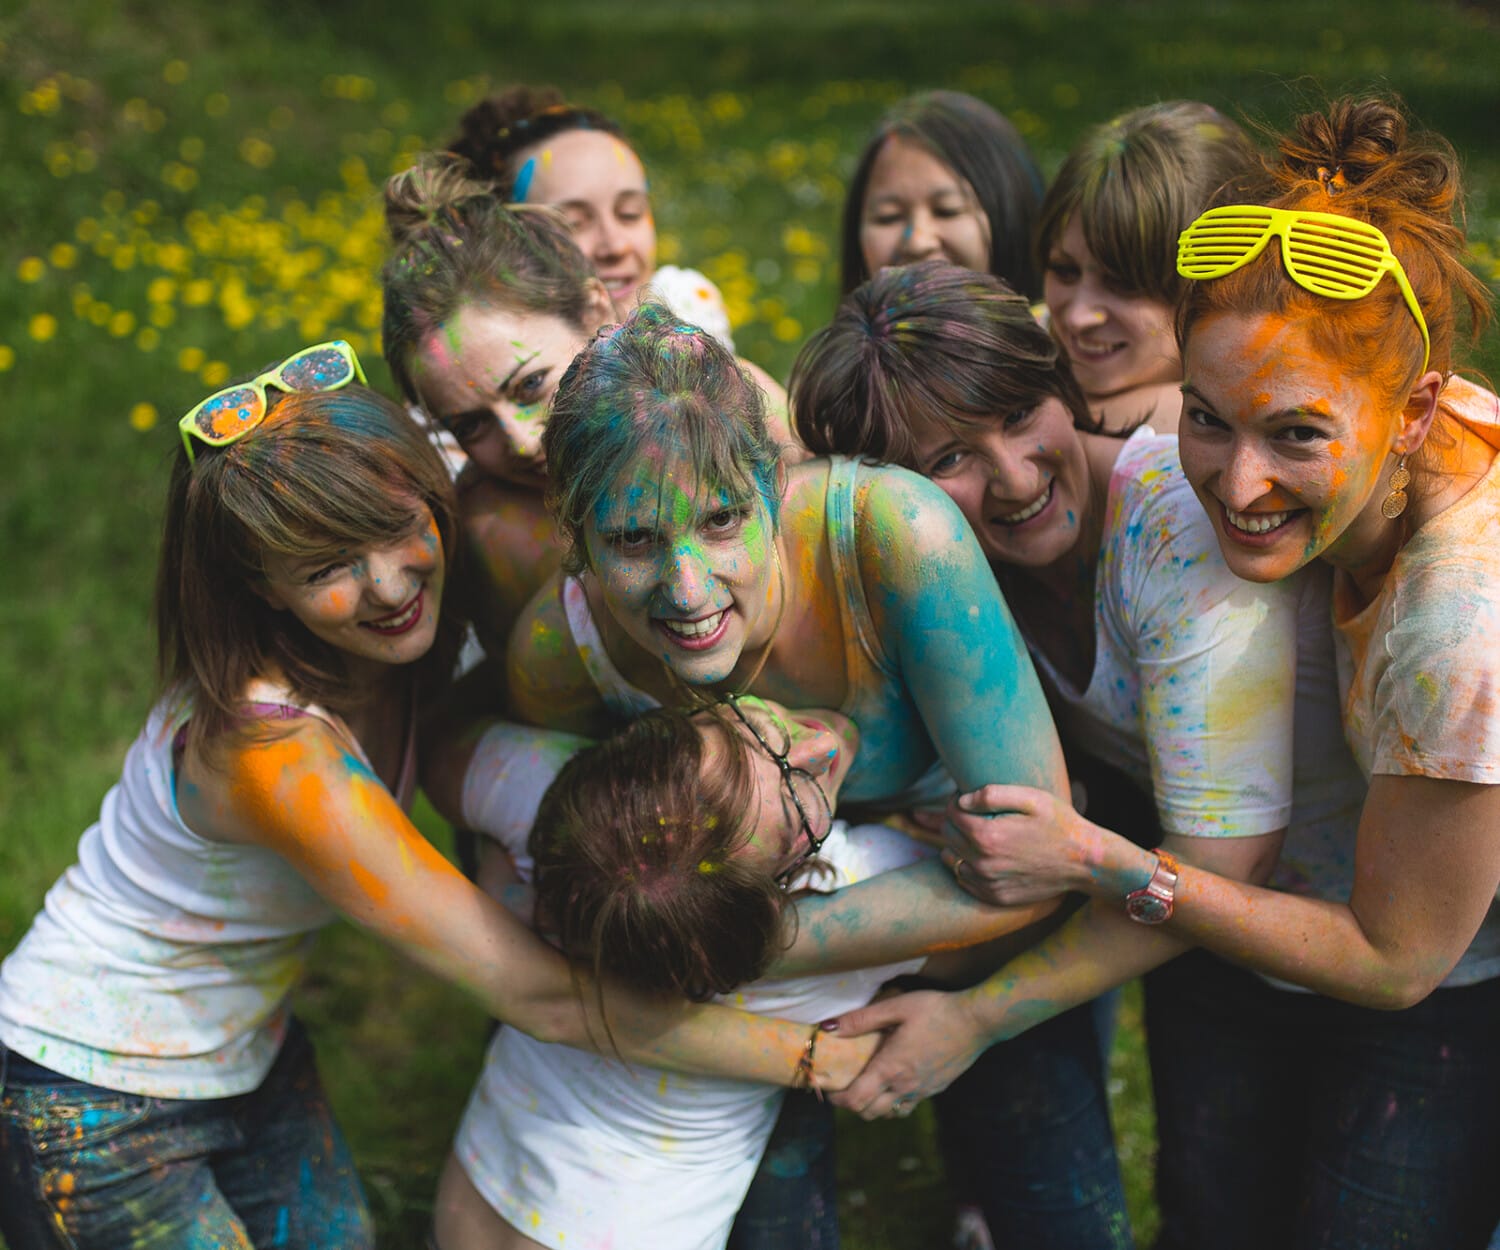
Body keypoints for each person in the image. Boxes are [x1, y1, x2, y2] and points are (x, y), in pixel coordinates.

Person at [0, 345, 880, 1250]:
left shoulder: (397, 643)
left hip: (241, 1056)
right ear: (260, 584)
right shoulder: (275, 757)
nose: (387, 585)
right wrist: (823, 1058)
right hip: (86, 1093)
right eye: (323, 569)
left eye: (394, 528)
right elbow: (543, 997)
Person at [837, 98, 1500, 1249]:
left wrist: (1094, 858)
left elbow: (1399, 959)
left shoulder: (1460, 629)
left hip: (1440, 982)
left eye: (1293, 434)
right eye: (1203, 417)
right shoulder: (1316, 437)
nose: (1234, 486)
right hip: (1263, 932)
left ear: (1414, 415)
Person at [790, 258, 1364, 1248]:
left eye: (1022, 414)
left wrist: (974, 1019)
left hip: (1380, 930)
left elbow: (1231, 861)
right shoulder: (933, 567)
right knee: (1217, 1208)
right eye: (948, 462)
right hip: (1207, 930)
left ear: (1063, 388)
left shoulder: (1173, 529)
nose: (1013, 476)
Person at [475, 300, 1070, 1248]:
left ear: (774, 483)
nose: (687, 589)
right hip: (790, 957)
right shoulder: (562, 649)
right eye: (631, 541)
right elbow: (548, 853)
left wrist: (702, 945)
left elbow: (1036, 869)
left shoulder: (889, 537)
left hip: (958, 940)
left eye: (720, 521)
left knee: (1054, 1202)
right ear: (575, 543)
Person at [432, 696, 1025, 1250]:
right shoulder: (859, 883)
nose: (818, 748)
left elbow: (444, 755)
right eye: (799, 809)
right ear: (780, 893)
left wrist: (506, 892)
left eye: (756, 734)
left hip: (476, 1194)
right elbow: (1016, 918)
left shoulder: (552, 799)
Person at [381, 155, 800, 661]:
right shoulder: (491, 531)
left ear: (597, 310)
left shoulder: (730, 415)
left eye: (531, 385)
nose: (520, 438)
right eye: (470, 425)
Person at [446, 83, 735, 348]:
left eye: (629, 213)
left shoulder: (689, 305)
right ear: (502, 243)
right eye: (574, 224)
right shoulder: (507, 360)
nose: (615, 246)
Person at [1037, 100, 1259, 434]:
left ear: (1220, 285)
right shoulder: (1025, 340)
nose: (1077, 317)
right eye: (1064, 270)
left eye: (1123, 283)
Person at [839, 89, 1045, 301]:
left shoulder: (1068, 330)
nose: (917, 243)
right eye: (888, 216)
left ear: (1013, 216)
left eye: (948, 211)